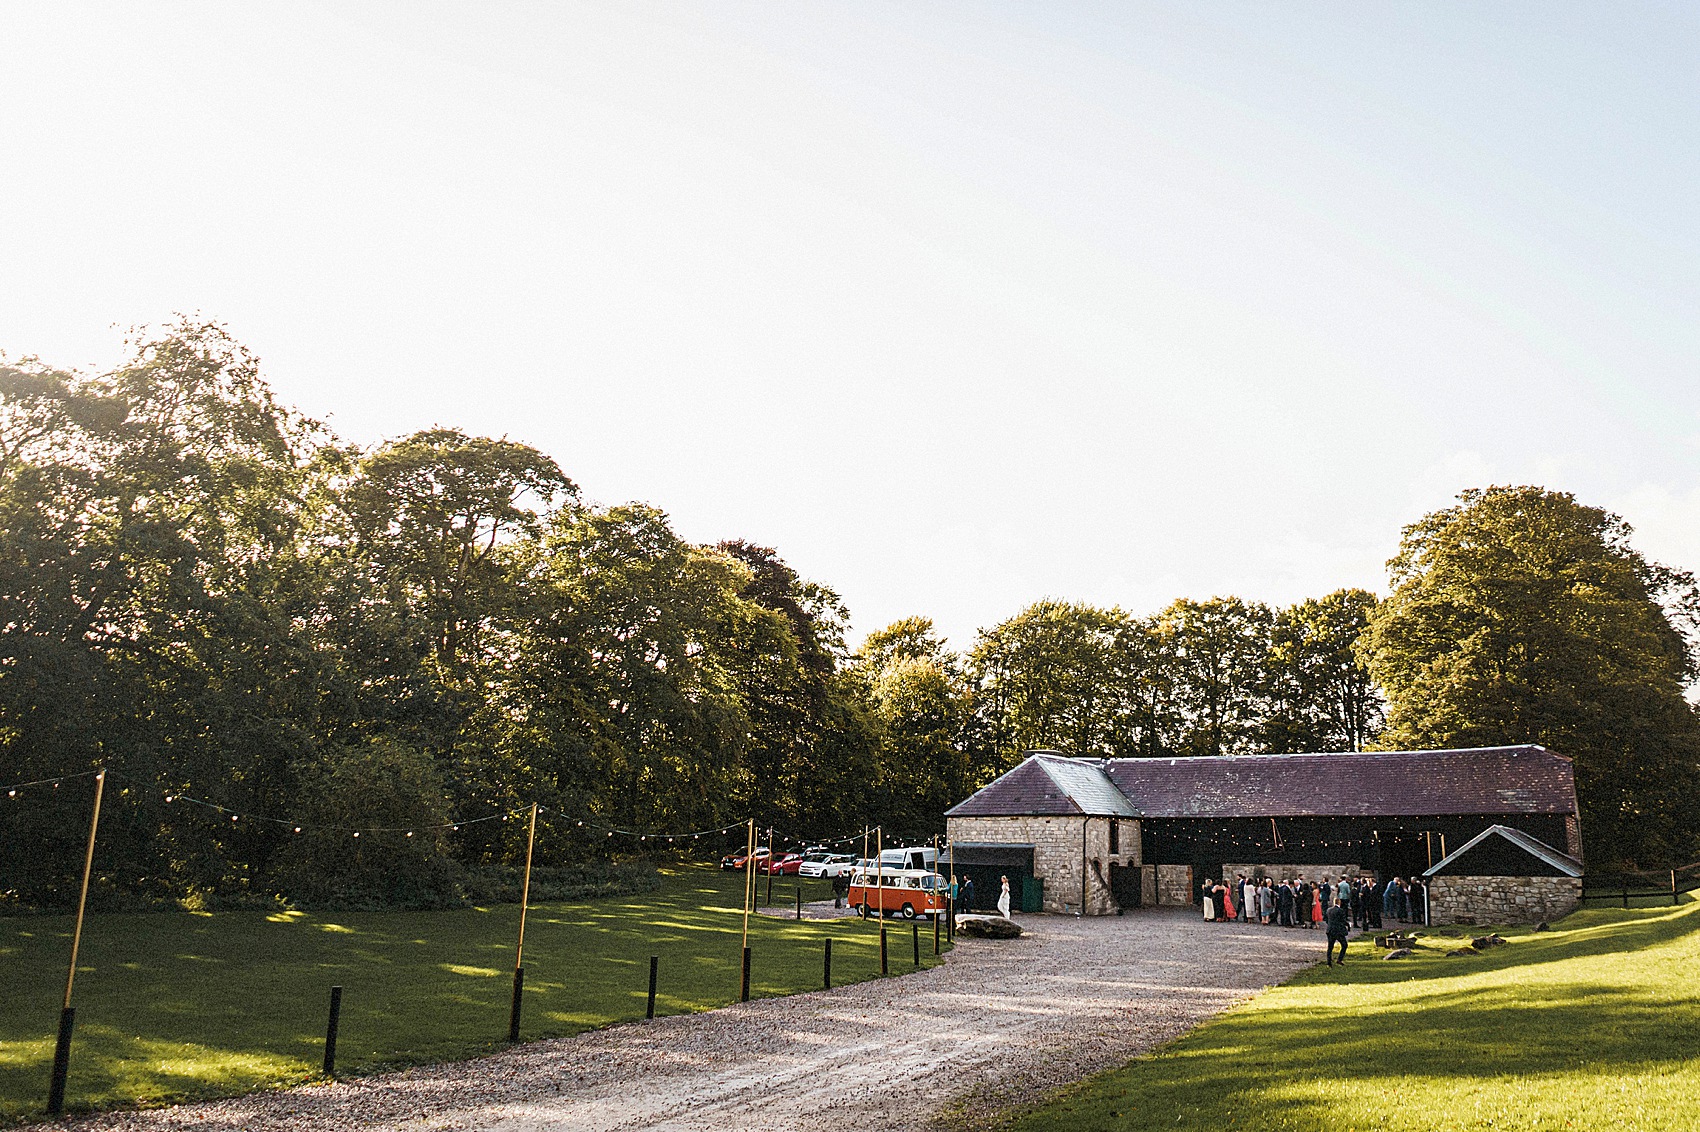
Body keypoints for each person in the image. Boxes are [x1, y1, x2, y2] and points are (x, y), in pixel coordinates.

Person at [1324, 898, 1350, 966]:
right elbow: (1343, 921)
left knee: (1330, 947)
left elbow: (1326, 920)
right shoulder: (1341, 911)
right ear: (1339, 903)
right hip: (1338, 931)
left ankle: (1328, 962)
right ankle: (1339, 959)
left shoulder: (1328, 910)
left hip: (1330, 930)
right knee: (1344, 945)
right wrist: (1348, 925)